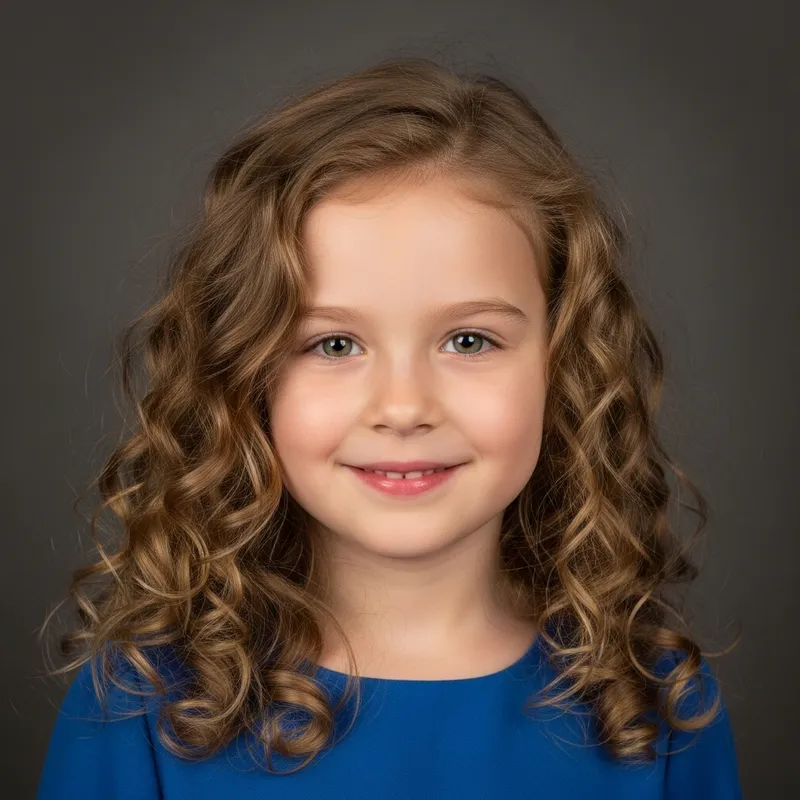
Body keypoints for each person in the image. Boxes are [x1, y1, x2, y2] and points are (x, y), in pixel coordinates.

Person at [36, 56, 743, 799]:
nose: (404, 408)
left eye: (469, 340)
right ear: (244, 374)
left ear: (562, 365)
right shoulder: (141, 704)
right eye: (334, 344)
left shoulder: (660, 711)